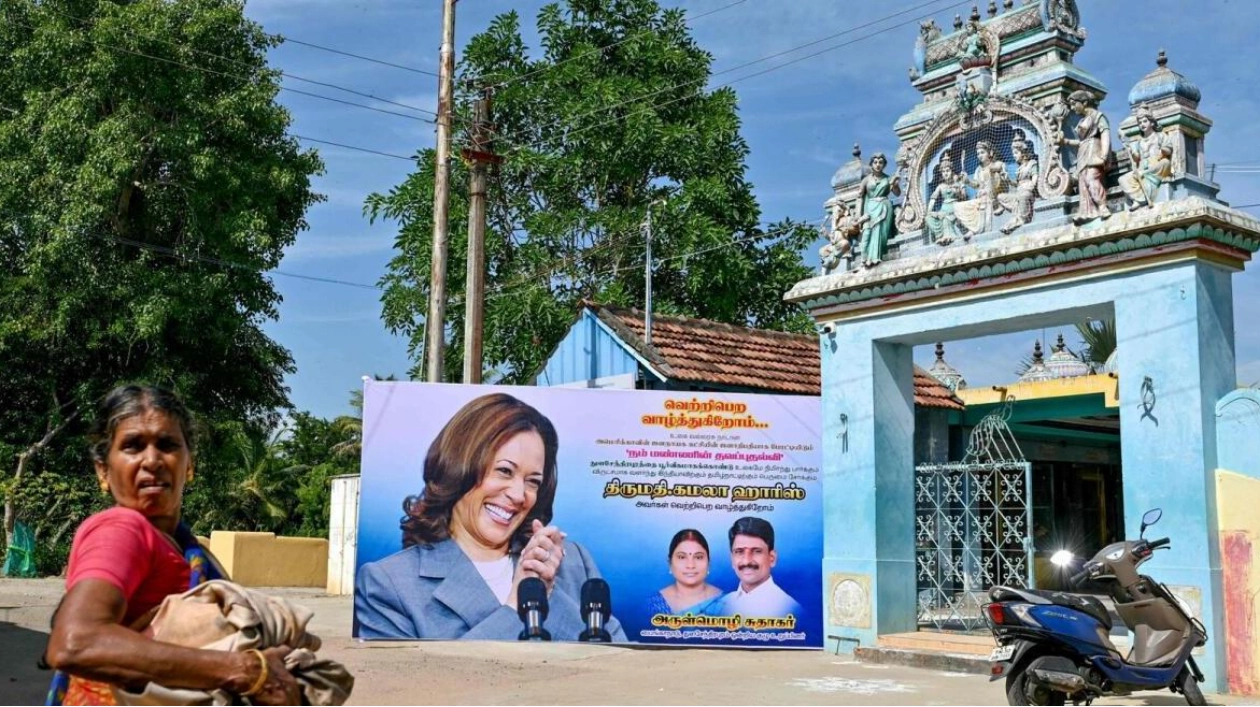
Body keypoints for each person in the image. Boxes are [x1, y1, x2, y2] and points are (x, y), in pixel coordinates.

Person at [45, 385, 301, 707]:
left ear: (189, 464)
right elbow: (75, 642)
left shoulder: (185, 547)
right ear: (103, 470)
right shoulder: (123, 530)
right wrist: (245, 670)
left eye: (167, 445)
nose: (152, 460)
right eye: (133, 446)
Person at [355, 392, 626, 641]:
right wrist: (514, 609)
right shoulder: (388, 584)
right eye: (505, 471)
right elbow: (414, 688)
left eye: (533, 481)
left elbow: (618, 667)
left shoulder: (573, 560)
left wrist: (548, 592)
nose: (519, 495)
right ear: (459, 467)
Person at [719, 517, 802, 618]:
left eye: (756, 551)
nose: (746, 561)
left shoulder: (791, 611)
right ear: (732, 559)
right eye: (739, 552)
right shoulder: (722, 606)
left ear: (772, 558)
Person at [646, 529, 725, 616]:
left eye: (698, 557)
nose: (690, 565)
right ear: (670, 563)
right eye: (681, 557)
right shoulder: (654, 603)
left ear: (708, 563)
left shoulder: (726, 602)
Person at [1064, 89, 1112, 224]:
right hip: (1083, 152)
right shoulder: (1082, 121)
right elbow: (1081, 142)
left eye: (1074, 104)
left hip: (1094, 150)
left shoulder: (1098, 116)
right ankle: (1087, 212)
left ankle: (1102, 206)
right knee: (1083, 183)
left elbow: (1105, 134)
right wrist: (1065, 141)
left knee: (1092, 178)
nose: (1072, 108)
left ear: (1084, 102)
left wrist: (1104, 155)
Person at [1119, 106, 1173, 212]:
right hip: (1142, 168)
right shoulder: (1139, 142)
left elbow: (1169, 151)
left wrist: (1163, 149)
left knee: (1165, 162)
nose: (1142, 124)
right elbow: (1137, 158)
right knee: (1122, 179)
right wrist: (1130, 149)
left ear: (1152, 123)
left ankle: (1145, 177)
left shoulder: (1161, 136)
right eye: (1140, 123)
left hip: (1156, 165)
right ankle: (1139, 198)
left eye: (1145, 121)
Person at [857, 152, 900, 267]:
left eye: (881, 162)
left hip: (884, 207)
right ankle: (865, 259)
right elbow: (859, 198)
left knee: (880, 231)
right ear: (871, 164)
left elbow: (897, 193)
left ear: (884, 164)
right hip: (870, 208)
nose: (878, 165)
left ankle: (877, 257)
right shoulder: (866, 180)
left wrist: (895, 185)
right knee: (867, 233)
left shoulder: (888, 178)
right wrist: (858, 216)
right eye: (875, 162)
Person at [925, 154, 969, 246]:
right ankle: (940, 235)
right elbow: (933, 199)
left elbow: (964, 197)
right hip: (944, 209)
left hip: (955, 207)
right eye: (943, 171)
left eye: (948, 171)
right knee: (928, 218)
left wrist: (958, 189)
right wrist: (929, 211)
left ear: (952, 171)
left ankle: (949, 236)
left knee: (945, 218)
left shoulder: (958, 183)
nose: (946, 173)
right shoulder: (940, 186)